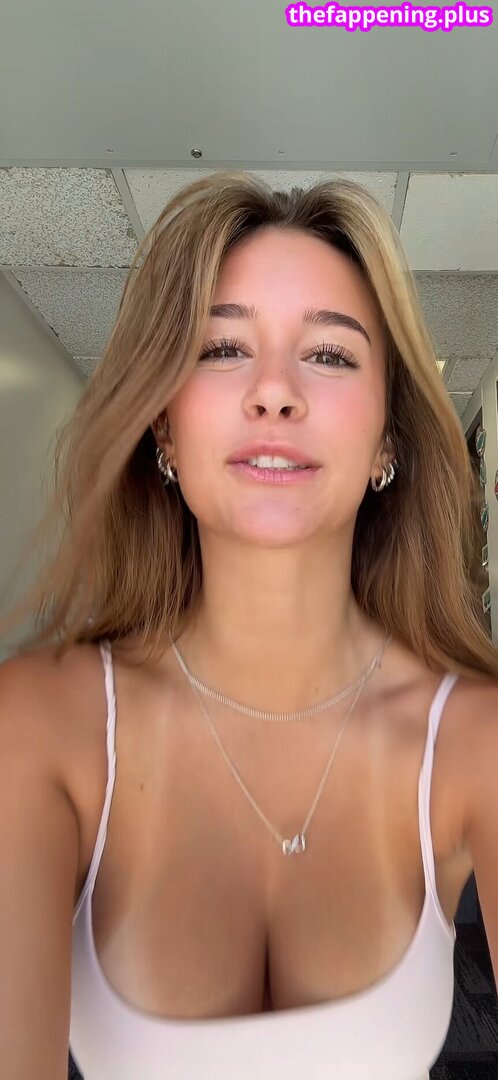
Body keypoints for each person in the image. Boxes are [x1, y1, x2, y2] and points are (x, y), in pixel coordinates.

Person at [1, 171, 497, 1080]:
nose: (273, 392)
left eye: (331, 355)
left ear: (388, 439)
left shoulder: (475, 738)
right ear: (162, 426)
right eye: (223, 348)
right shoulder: (40, 722)